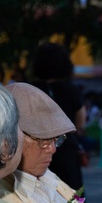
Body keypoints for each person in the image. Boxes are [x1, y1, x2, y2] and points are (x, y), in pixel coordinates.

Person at [32, 42, 87, 191]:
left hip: (36, 151)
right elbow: (80, 123)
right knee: (72, 200)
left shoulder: (31, 90)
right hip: (67, 152)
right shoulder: (71, 90)